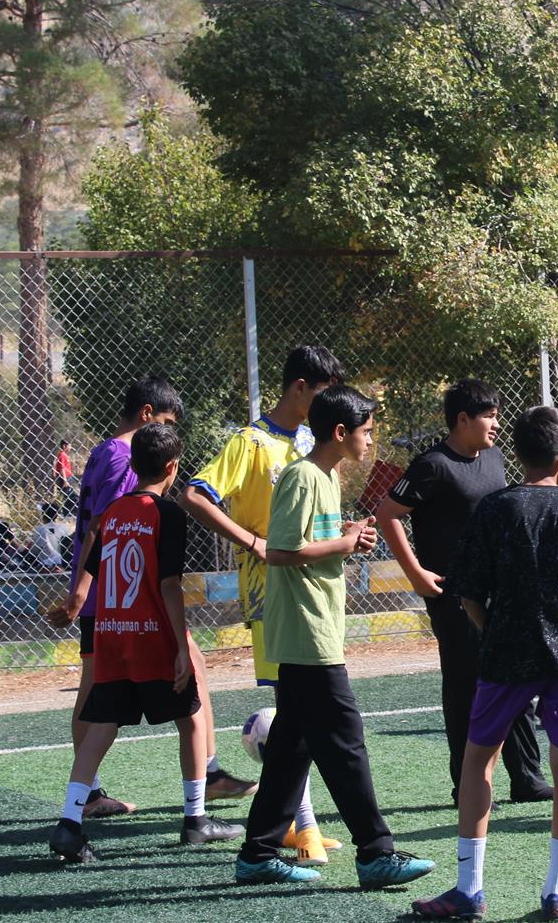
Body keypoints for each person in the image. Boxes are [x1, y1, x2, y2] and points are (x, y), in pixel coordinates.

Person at [411, 407, 558, 922]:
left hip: (504, 656)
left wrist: (494, 629)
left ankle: (469, 889)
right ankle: (556, 892)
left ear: (516, 454)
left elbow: (467, 592)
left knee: (477, 761)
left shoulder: (495, 508)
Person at [234, 385, 436, 890]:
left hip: (316, 628)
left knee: (291, 749)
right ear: (341, 433)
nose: (371, 440)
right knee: (346, 741)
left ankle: (257, 855)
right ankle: (376, 853)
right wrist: (343, 543)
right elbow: (279, 551)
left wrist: (345, 537)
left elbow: (310, 541)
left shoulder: (326, 476)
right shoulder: (303, 475)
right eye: (367, 431)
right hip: (307, 632)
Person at [49, 377, 252, 818]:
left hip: (108, 595)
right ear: (146, 415)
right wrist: (82, 591)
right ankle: (204, 780)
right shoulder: (123, 456)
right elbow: (105, 525)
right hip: (124, 598)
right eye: (165, 423)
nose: (167, 433)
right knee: (181, 670)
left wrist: (80, 590)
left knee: (100, 694)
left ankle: (89, 796)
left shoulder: (104, 450)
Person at [182, 344, 343, 862]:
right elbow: (195, 494)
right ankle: (300, 828)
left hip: (315, 592)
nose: (329, 404)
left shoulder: (314, 442)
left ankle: (295, 826)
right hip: (272, 594)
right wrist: (251, 541)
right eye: (323, 393)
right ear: (299, 388)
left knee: (304, 710)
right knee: (296, 710)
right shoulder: (250, 442)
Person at [376, 379, 553, 807]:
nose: (496, 424)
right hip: (453, 596)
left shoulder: (494, 457)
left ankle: (526, 778)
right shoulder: (432, 465)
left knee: (515, 675)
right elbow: (387, 513)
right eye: (489, 416)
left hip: (499, 591)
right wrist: (416, 573)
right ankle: (466, 784)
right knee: (466, 685)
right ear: (462, 420)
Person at [30, 502, 73, 571]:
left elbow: (34, 550)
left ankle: (49, 567)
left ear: (43, 514)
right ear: (57, 514)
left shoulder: (39, 529)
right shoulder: (64, 527)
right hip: (63, 561)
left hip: (45, 562)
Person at [54, 439, 76, 514]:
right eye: (69, 446)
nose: (71, 447)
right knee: (68, 495)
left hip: (68, 477)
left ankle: (68, 512)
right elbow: (62, 468)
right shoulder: (62, 455)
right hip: (65, 478)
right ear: (64, 446)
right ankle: (66, 512)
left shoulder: (64, 455)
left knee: (69, 495)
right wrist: (65, 480)